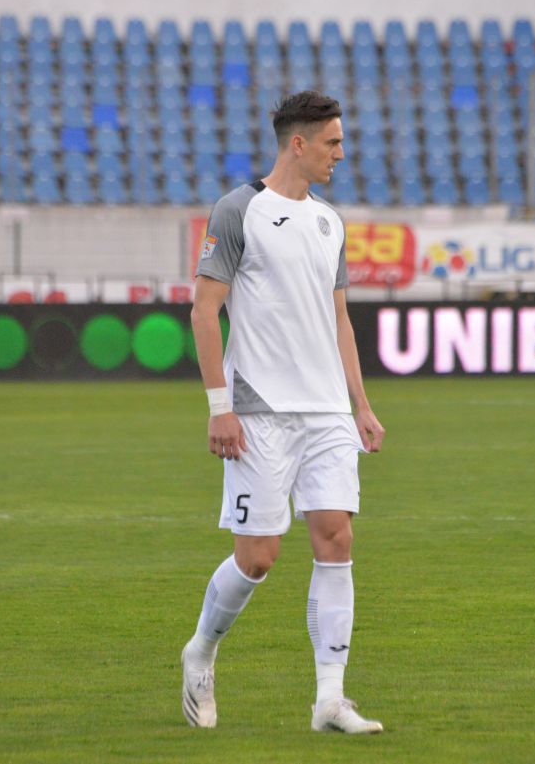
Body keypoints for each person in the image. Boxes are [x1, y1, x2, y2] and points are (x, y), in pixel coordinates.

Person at [181, 91, 386, 734]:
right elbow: (203, 312)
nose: (341, 154)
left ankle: (331, 699)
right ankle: (201, 651)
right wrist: (220, 407)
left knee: (336, 538)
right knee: (259, 555)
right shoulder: (239, 209)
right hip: (260, 410)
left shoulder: (331, 222)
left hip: (326, 412)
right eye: (332, 143)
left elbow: (340, 319)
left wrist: (360, 403)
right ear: (298, 144)